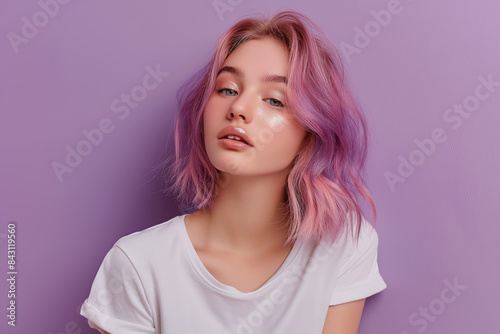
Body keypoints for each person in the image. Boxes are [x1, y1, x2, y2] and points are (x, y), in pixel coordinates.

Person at [80, 10, 387, 334]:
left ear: (311, 132)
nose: (238, 108)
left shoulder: (342, 245)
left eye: (274, 100)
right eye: (227, 89)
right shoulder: (138, 265)